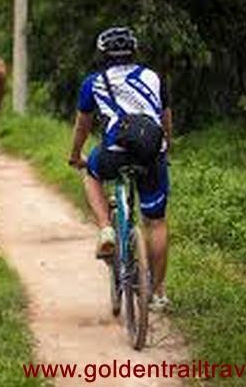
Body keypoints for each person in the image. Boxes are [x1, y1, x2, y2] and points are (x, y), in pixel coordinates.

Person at [68, 26, 173, 311]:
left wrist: (76, 155)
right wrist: (166, 147)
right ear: (134, 51)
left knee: (91, 174)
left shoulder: (93, 82)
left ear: (102, 55)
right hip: (151, 153)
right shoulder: (153, 77)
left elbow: (82, 126)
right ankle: (158, 294)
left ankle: (106, 229)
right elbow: (165, 118)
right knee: (156, 222)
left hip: (113, 153)